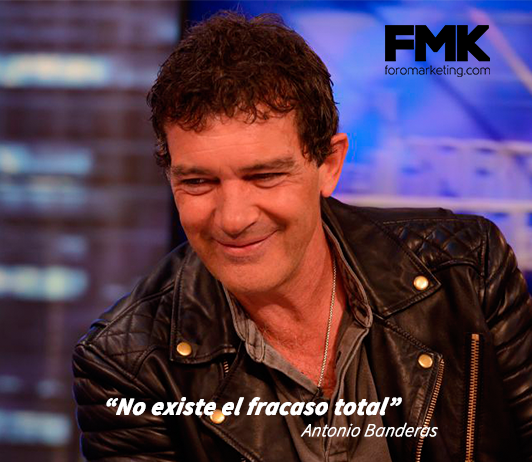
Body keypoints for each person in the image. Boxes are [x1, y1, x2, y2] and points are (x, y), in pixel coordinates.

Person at [72, 11, 532, 462]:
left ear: (329, 164)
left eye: (265, 176)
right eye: (197, 182)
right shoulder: (124, 365)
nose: (233, 218)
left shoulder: (467, 269)